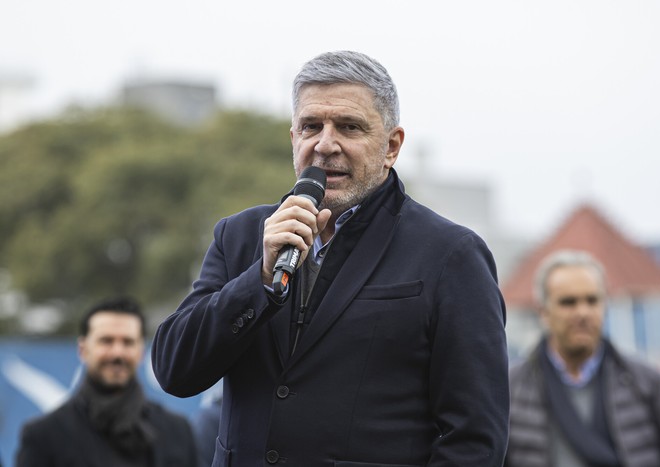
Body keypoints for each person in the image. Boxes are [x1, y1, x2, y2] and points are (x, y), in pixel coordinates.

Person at [151, 50, 509, 466]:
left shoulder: (451, 255)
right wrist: (260, 280)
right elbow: (175, 370)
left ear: (391, 146)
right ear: (293, 139)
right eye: (310, 126)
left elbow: (475, 437)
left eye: (349, 127)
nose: (325, 144)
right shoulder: (241, 236)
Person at [506, 249, 660, 467]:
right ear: (543, 311)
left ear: (605, 305)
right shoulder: (512, 391)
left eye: (592, 300)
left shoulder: (648, 383)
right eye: (568, 302)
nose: (583, 312)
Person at [16, 297, 197, 467]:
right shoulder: (43, 436)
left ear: (141, 351)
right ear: (83, 349)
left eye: (128, 342)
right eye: (106, 341)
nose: (117, 353)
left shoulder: (178, 432)